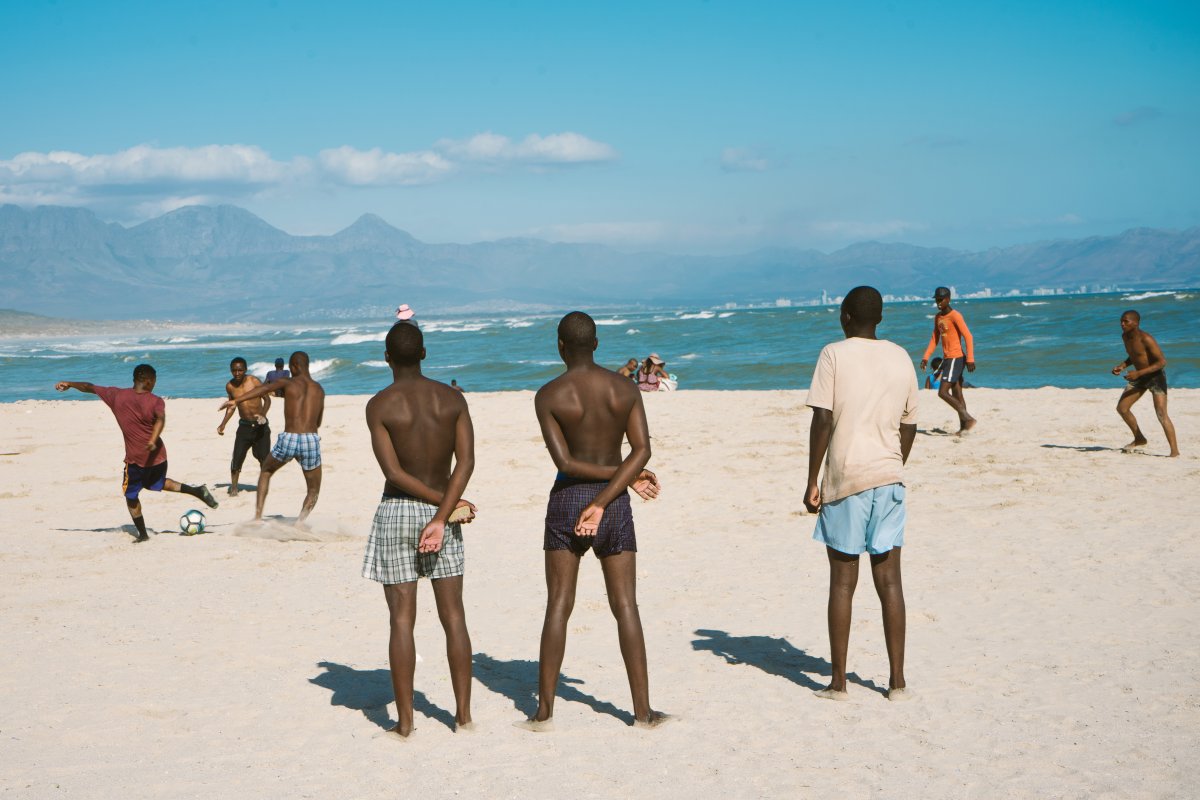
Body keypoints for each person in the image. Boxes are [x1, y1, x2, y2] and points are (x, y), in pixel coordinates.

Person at [517, 312, 668, 731]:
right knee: (626, 606)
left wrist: (596, 497)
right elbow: (642, 451)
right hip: (615, 502)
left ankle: (544, 712)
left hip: (567, 500)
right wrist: (615, 488)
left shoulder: (548, 395)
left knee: (558, 605)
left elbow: (565, 463)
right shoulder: (624, 388)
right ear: (597, 344)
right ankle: (643, 712)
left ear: (560, 346)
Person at [361, 322, 478, 737]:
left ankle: (406, 723)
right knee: (454, 616)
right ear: (424, 353)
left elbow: (393, 472)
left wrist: (441, 509)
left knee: (401, 620)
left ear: (386, 358)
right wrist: (445, 512)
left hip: (397, 510)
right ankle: (462, 717)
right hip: (443, 510)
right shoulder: (452, 399)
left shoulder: (379, 405)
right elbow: (466, 463)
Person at [804, 286, 918, 702]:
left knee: (842, 582)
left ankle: (838, 683)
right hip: (889, 478)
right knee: (890, 581)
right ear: (880, 318)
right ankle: (897, 683)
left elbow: (823, 418)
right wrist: (894, 463)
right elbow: (909, 425)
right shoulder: (901, 356)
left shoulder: (833, 354)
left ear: (846, 317)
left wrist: (812, 479)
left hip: (847, 478)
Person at [56, 365, 218, 543]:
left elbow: (89, 387)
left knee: (131, 496)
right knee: (156, 482)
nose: (155, 384)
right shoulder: (156, 401)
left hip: (136, 460)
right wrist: (153, 440)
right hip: (159, 457)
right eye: (155, 380)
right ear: (148, 381)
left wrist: (69, 383)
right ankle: (196, 491)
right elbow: (161, 419)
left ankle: (143, 534)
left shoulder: (116, 395)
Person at [218, 351, 325, 522]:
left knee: (266, 471)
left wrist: (236, 401)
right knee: (313, 490)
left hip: (290, 438)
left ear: (294, 367)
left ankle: (258, 517)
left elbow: (262, 389)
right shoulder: (319, 389)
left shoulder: (287, 382)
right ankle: (300, 523)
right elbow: (318, 421)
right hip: (310, 439)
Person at [1112, 310, 1180, 456]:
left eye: (1125, 321)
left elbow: (1162, 362)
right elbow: (1134, 355)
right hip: (1139, 377)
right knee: (1122, 408)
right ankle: (1139, 438)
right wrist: (1122, 366)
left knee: (1161, 414)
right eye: (1121, 321)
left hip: (1156, 377)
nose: (1122, 324)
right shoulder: (1125, 336)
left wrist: (1138, 373)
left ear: (1136, 323)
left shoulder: (1146, 339)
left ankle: (1174, 452)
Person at [919, 286, 976, 433]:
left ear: (948, 299)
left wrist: (970, 358)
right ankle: (964, 427)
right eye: (937, 300)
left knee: (942, 392)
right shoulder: (938, 318)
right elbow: (934, 339)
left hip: (956, 358)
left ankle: (967, 418)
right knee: (957, 393)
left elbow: (968, 336)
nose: (938, 303)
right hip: (948, 359)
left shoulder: (955, 316)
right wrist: (925, 357)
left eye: (941, 300)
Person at [216, 357, 271, 496]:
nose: (237, 373)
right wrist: (223, 424)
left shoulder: (254, 381)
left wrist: (263, 415)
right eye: (234, 370)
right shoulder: (230, 386)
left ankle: (263, 487)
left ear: (245, 369)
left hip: (260, 426)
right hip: (244, 427)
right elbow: (232, 406)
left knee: (264, 459)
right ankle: (234, 488)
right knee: (237, 459)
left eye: (240, 370)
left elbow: (267, 399)